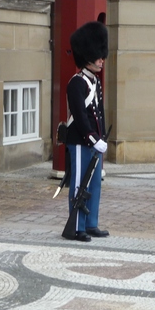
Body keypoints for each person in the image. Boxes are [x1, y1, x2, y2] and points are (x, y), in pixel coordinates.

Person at [64, 20, 109, 242]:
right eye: (98, 55)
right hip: (81, 141)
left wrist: (100, 138)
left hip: (94, 141)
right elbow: (80, 116)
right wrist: (92, 138)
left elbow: (98, 113)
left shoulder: (95, 82)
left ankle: (91, 223)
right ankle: (76, 226)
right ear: (87, 56)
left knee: (95, 184)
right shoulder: (77, 83)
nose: (102, 59)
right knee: (80, 184)